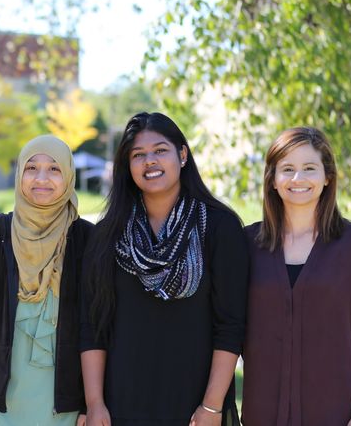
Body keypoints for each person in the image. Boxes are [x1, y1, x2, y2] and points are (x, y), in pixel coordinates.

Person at [80, 112, 249, 426]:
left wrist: (211, 407)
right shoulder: (107, 235)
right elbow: (92, 326)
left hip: (195, 408)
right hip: (122, 405)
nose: (150, 161)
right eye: (138, 155)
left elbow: (231, 327)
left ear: (182, 155)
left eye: (160, 150)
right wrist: (94, 404)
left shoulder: (219, 227)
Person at [242, 127, 351, 426]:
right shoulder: (246, 245)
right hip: (261, 412)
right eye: (287, 169)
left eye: (309, 168)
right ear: (273, 179)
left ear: (327, 176)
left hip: (336, 413)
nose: (298, 179)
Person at [0, 135, 91, 426]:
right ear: (19, 173)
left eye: (54, 169)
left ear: (68, 175)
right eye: (31, 168)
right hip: (1, 406)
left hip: (66, 409)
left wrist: (90, 404)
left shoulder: (87, 238)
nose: (41, 179)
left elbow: (96, 327)